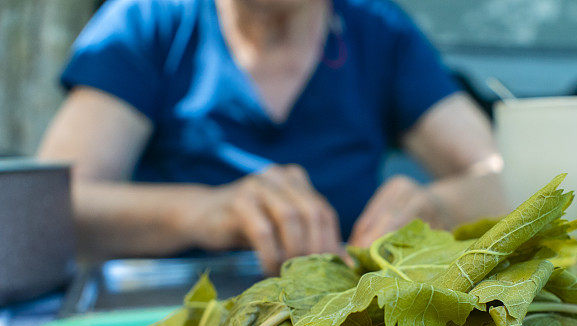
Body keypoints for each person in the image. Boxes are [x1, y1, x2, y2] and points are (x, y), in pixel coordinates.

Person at [38, 0, 505, 272]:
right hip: (175, 309)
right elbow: (54, 205)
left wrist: (437, 207)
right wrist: (205, 211)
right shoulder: (147, 22)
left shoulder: (379, 31)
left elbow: (501, 179)